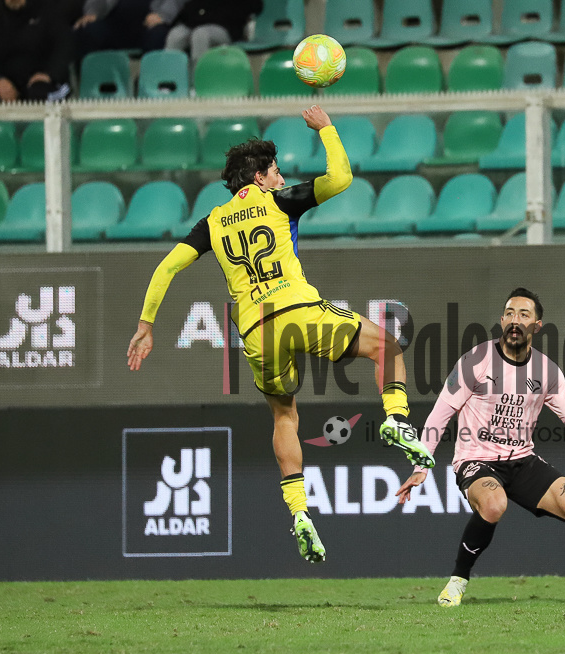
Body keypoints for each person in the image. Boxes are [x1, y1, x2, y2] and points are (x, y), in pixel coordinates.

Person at [127, 105, 435, 565]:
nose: (281, 175)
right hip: (296, 307)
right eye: (275, 170)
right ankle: (395, 418)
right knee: (386, 346)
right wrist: (328, 129)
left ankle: (300, 513)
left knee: (284, 417)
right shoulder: (279, 200)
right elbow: (342, 178)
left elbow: (167, 266)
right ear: (258, 177)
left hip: (254, 331)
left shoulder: (210, 222)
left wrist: (147, 324)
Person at [396, 288, 565, 607]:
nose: (515, 320)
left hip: (523, 461)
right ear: (501, 321)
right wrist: (420, 467)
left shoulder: (547, 371)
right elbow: (440, 415)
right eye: (510, 313)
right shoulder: (475, 361)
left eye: (524, 314)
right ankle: (456, 584)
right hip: (476, 460)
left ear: (537, 325)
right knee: (494, 504)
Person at [0, 0, 74, 102]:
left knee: (38, 93)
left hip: (46, 80)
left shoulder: (47, 9)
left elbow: (65, 45)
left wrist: (49, 75)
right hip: (9, 81)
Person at [74, 0, 185, 59]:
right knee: (89, 30)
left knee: (158, 34)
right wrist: (92, 12)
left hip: (151, 22)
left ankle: (151, 84)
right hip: (115, 22)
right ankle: (98, 86)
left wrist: (164, 14)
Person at [165, 0, 263, 64]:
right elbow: (191, 8)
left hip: (226, 27)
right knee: (176, 35)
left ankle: (198, 83)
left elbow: (255, 6)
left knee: (201, 35)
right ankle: (168, 83)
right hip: (197, 23)